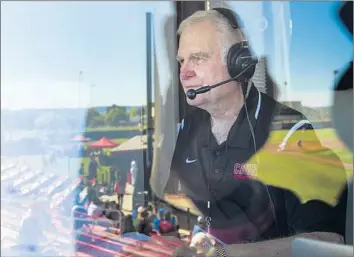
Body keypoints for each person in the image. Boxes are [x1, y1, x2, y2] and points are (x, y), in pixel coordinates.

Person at [161, 8, 348, 257]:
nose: (185, 72)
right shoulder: (187, 130)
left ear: (238, 61)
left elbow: (328, 241)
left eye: (198, 57)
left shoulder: (289, 133)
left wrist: (223, 254)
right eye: (182, 61)